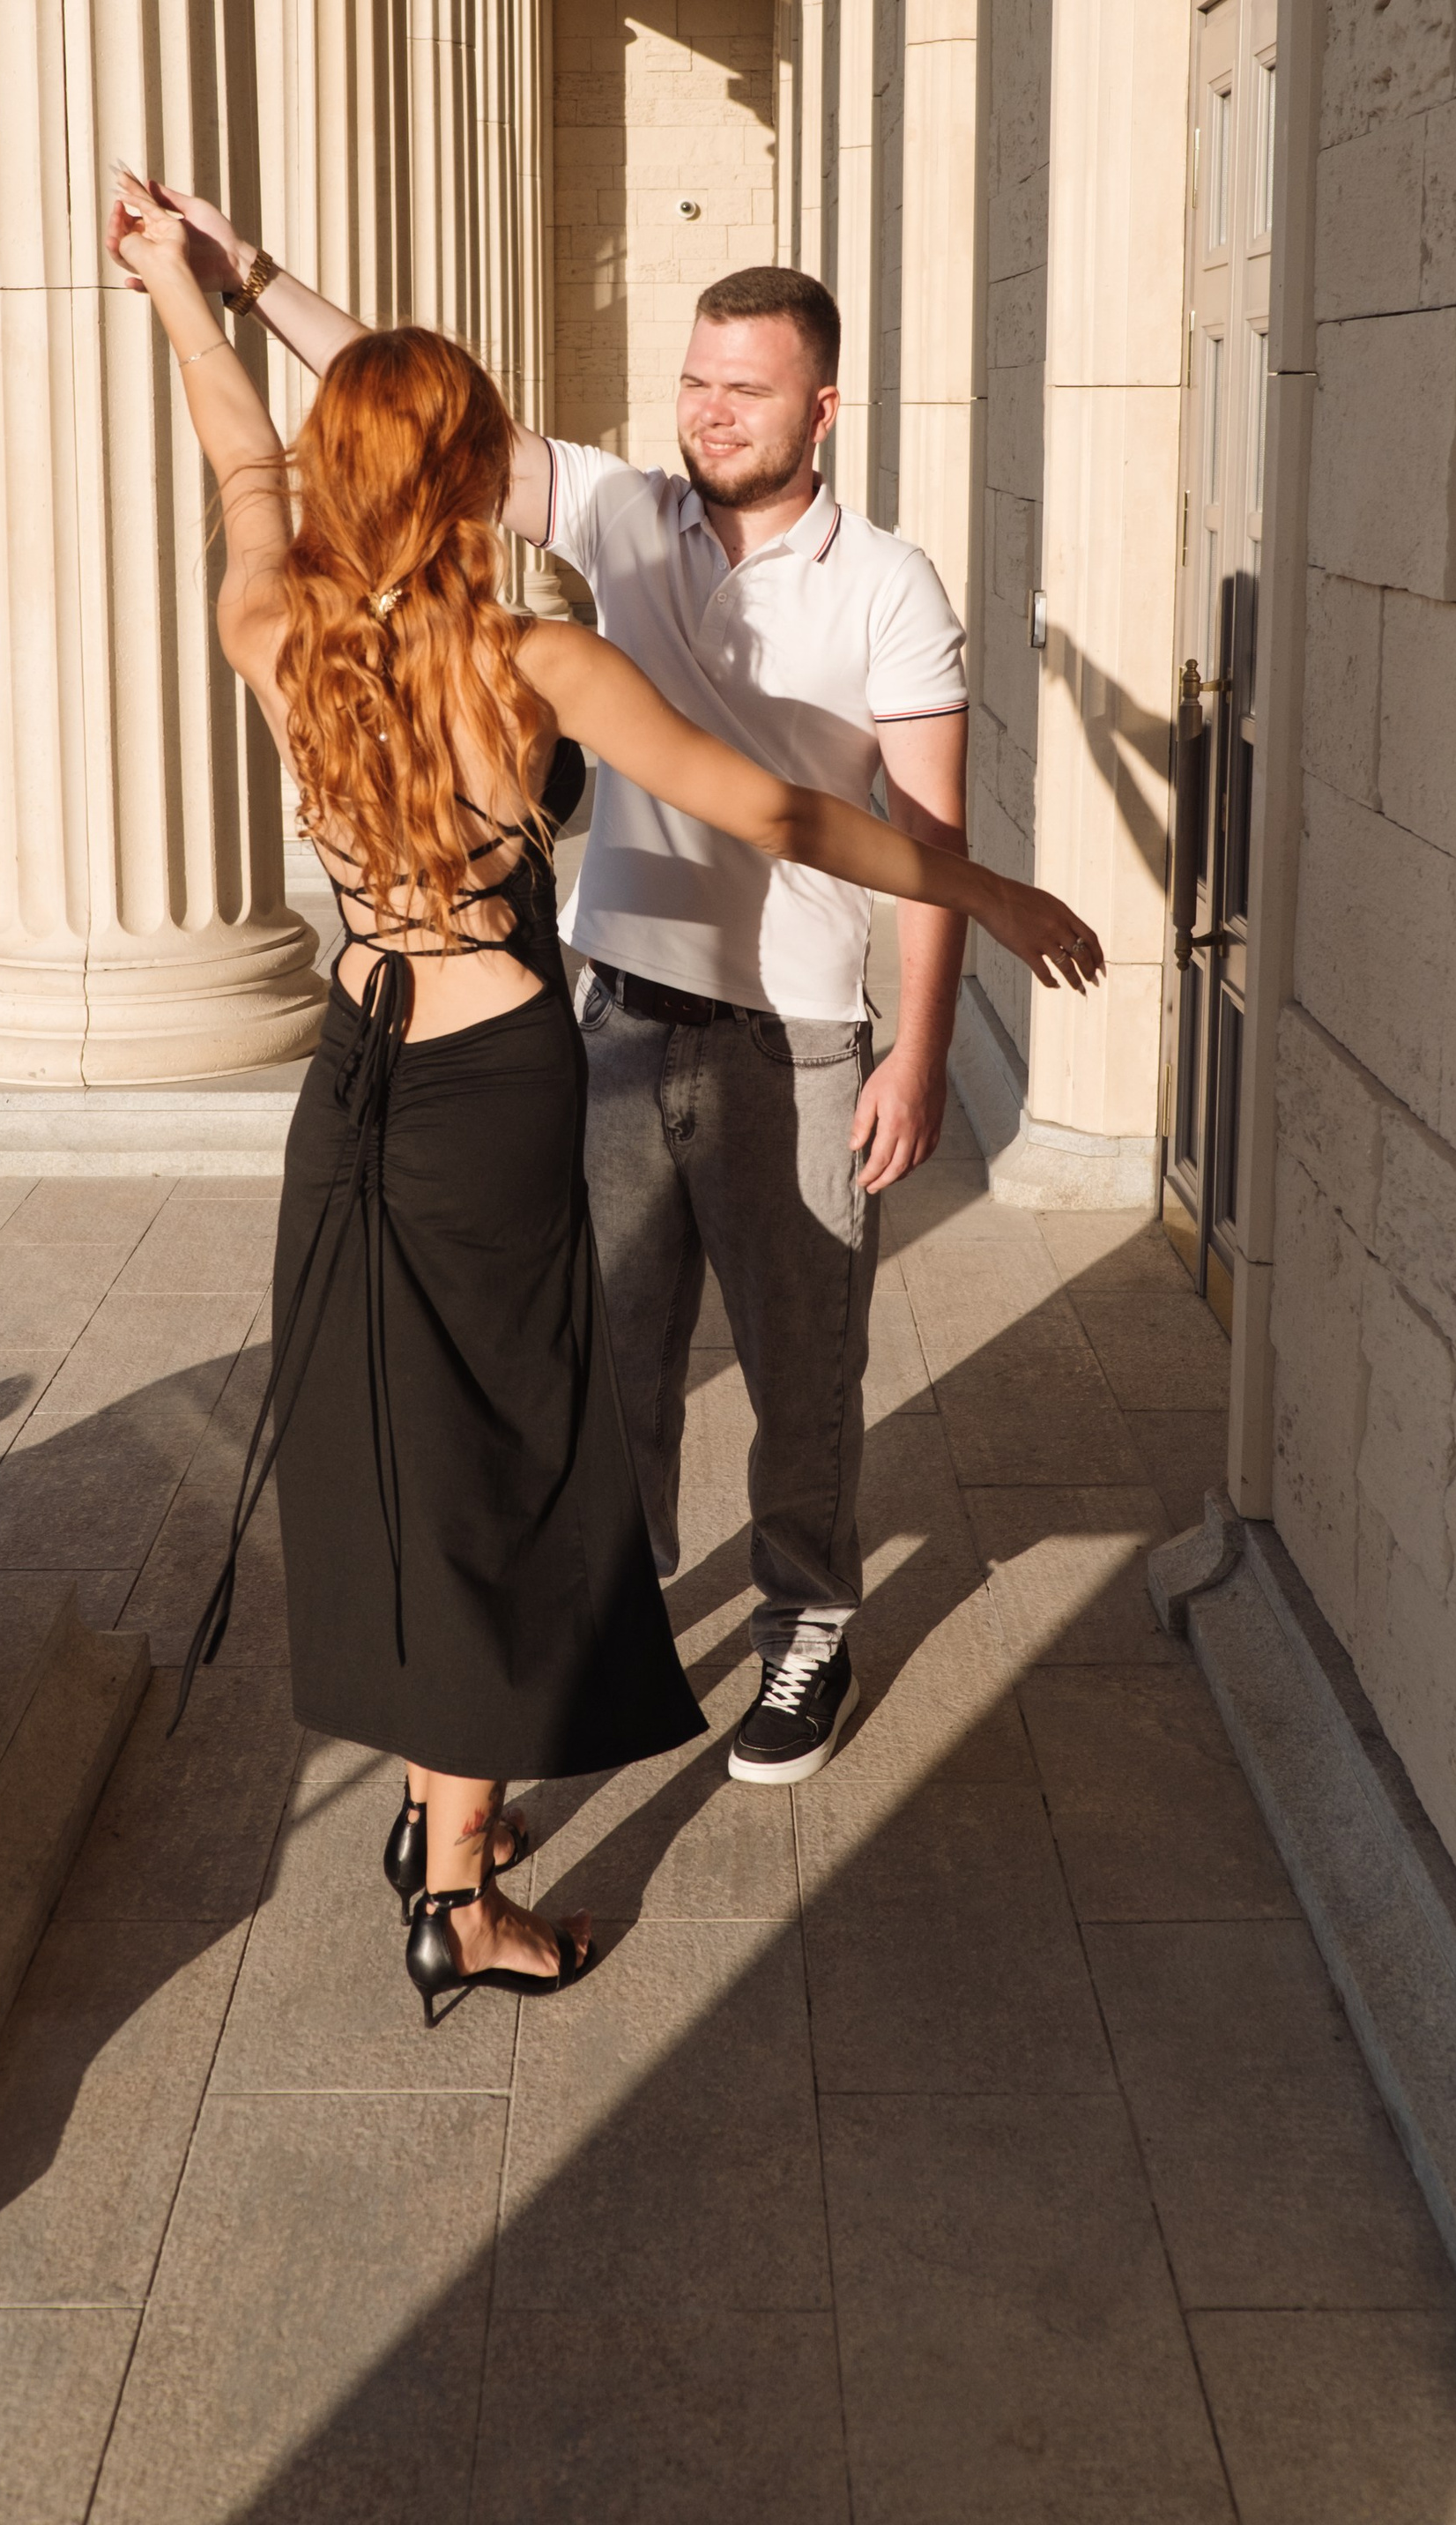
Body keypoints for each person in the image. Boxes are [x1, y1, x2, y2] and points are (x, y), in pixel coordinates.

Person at [112, 172, 1105, 2017]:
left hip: (349, 1086)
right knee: (514, 1458)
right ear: (465, 471)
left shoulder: (279, 634)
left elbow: (245, 469)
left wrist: (191, 303)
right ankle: (467, 1879)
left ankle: (447, 1804)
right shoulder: (531, 657)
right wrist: (985, 889)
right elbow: (789, 814)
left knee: (410, 1456)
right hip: (499, 1080)